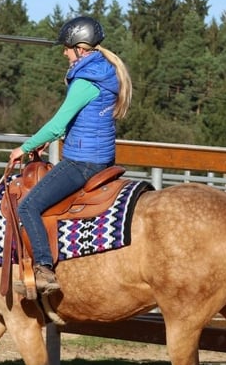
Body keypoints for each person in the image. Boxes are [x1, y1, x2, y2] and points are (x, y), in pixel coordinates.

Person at [8, 16, 133, 296]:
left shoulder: (85, 80)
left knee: (28, 206)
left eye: (66, 47)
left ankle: (43, 269)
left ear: (79, 48)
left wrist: (24, 148)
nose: (64, 52)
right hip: (103, 158)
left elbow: (57, 124)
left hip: (82, 162)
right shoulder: (105, 71)